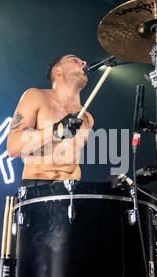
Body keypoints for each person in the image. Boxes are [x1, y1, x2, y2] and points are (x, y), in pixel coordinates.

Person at [7, 54, 94, 187]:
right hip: (37, 191)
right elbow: (14, 148)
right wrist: (56, 130)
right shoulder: (35, 96)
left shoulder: (87, 117)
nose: (84, 63)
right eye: (75, 60)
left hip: (72, 192)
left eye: (82, 61)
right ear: (57, 71)